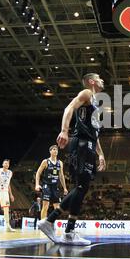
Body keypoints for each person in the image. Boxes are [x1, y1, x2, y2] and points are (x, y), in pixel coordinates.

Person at [38, 73, 106, 245]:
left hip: (88, 144)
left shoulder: (95, 103)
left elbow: (94, 133)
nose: (102, 80)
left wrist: (101, 154)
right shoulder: (86, 93)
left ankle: (63, 228)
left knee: (82, 188)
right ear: (91, 81)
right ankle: (55, 224)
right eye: (99, 77)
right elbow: (68, 108)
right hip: (81, 144)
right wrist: (64, 130)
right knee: (81, 187)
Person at [35, 145, 68, 219]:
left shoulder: (60, 163)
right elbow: (38, 173)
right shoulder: (46, 161)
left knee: (57, 207)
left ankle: (52, 223)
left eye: (56, 150)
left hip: (55, 186)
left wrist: (65, 188)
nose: (56, 151)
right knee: (45, 205)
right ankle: (43, 224)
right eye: (54, 149)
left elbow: (61, 176)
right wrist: (37, 184)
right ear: (50, 151)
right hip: (47, 186)